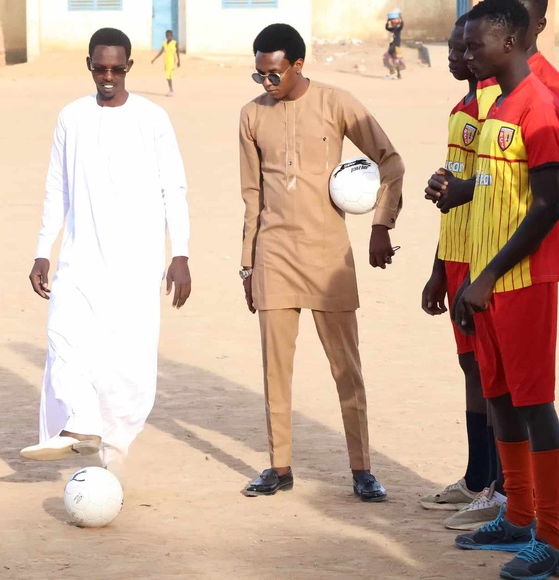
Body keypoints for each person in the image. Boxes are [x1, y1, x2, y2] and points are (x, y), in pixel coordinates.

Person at [238, 23, 403, 502]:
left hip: (330, 254)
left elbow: (390, 161)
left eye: (274, 75)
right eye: (259, 76)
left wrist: (380, 225)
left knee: (346, 368)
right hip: (273, 253)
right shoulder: (250, 116)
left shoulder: (338, 103)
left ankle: (362, 469)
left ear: (297, 65)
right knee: (275, 368)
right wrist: (248, 266)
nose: (266, 84)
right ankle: (279, 466)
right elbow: (252, 196)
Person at [19, 28, 191, 473]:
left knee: (127, 367)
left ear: (129, 66)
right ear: (89, 66)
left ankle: (108, 457)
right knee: (62, 337)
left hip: (136, 265)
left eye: (116, 68)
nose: (108, 76)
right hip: (79, 258)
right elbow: (56, 187)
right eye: (100, 68)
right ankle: (80, 422)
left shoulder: (152, 119)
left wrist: (181, 254)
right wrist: (43, 249)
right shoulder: (71, 117)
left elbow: (174, 187)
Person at [424, 0, 559, 532]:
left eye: (472, 46)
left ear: (512, 40)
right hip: (482, 277)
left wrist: (485, 276)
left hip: (521, 281)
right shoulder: (494, 107)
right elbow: (494, 188)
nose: (463, 54)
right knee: (498, 394)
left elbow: (548, 202)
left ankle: (549, 534)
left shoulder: (538, 104)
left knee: (534, 405)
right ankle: (517, 514)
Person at [419, 12, 503, 532]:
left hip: (482, 260)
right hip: (456, 257)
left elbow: (492, 188)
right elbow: (457, 195)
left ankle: (499, 485)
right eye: (453, 48)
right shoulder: (462, 107)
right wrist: (437, 268)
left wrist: (475, 270)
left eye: (462, 48)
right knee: (472, 369)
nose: (455, 56)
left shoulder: (498, 106)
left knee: (494, 375)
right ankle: (477, 477)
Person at [151, 30, 180, 97]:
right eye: (167, 36)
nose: (168, 37)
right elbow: (161, 52)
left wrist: (179, 61)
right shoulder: (164, 43)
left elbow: (177, 52)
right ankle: (171, 90)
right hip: (166, 62)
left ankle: (171, 90)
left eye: (169, 35)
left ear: (172, 36)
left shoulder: (175, 43)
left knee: (167, 76)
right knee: (168, 76)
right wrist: (154, 59)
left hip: (172, 62)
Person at [383, 9, 406, 80]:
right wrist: (388, 20)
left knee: (396, 60)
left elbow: (402, 25)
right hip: (392, 46)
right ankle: (392, 70)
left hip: (397, 47)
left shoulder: (398, 29)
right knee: (388, 58)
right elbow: (386, 27)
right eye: (392, 23)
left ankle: (399, 74)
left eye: (394, 23)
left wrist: (400, 17)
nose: (393, 24)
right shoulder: (392, 29)